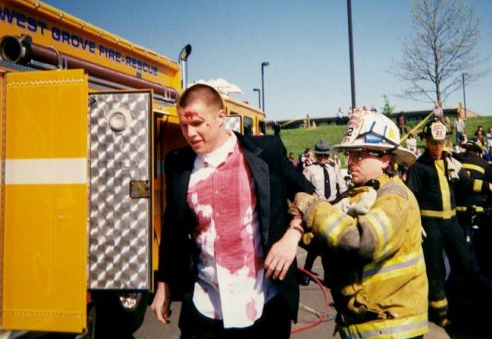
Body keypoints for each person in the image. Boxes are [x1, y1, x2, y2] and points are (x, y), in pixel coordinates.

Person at [150, 83, 314, 339]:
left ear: (220, 118)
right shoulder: (178, 164)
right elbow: (172, 228)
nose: (190, 133)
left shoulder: (266, 153)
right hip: (205, 305)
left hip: (264, 302)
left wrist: (292, 235)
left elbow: (311, 197)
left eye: (197, 123)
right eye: (184, 125)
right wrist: (163, 284)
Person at [290, 109, 429, 339]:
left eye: (360, 154)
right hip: (365, 326)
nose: (350, 161)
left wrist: (313, 209)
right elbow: (332, 240)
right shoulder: (365, 193)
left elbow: (359, 241)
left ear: (385, 159)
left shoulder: (395, 199)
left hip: (391, 330)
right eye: (349, 154)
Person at [406, 120, 492, 328]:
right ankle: (440, 314)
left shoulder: (451, 162)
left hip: (451, 221)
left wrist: (489, 187)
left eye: (440, 142)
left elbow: (466, 183)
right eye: (433, 143)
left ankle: (459, 303)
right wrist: (415, 222)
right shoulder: (418, 168)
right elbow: (410, 197)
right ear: (426, 142)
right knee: (435, 268)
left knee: (464, 261)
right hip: (430, 223)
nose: (437, 147)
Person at [299, 139, 347, 285]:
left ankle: (328, 276)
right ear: (316, 155)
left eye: (325, 156)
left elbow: (342, 187)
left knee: (329, 244)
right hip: (318, 207)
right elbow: (304, 188)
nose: (323, 158)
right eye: (320, 156)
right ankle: (307, 273)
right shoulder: (310, 170)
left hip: (332, 207)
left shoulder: (333, 168)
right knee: (316, 243)